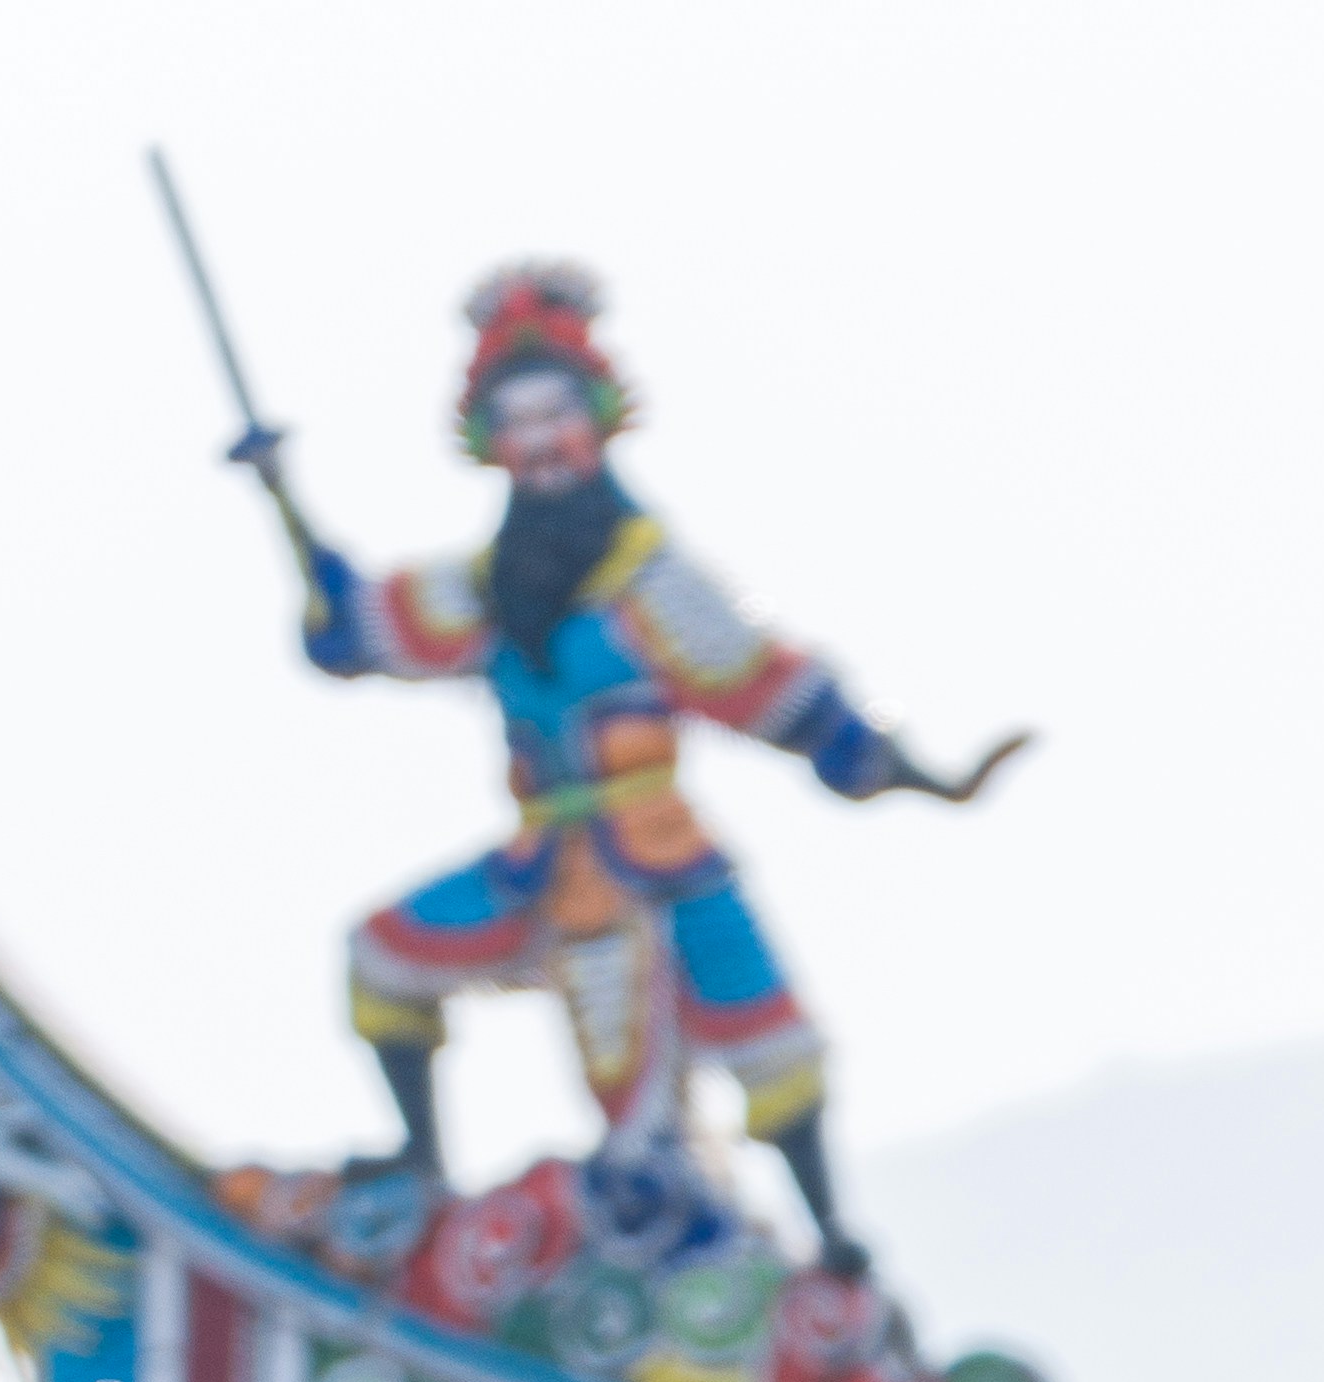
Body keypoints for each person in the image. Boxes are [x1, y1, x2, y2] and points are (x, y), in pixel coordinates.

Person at [293, 262, 1020, 1262]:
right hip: (546, 856)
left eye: (557, 414)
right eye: (517, 421)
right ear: (488, 443)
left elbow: (781, 694)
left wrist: (918, 773)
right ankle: (423, 1161)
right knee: (382, 957)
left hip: (652, 845)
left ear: (595, 420)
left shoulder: (651, 584)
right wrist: (309, 558)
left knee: (762, 1051)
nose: (542, 442)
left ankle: (827, 1246)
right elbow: (362, 637)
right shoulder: (487, 587)